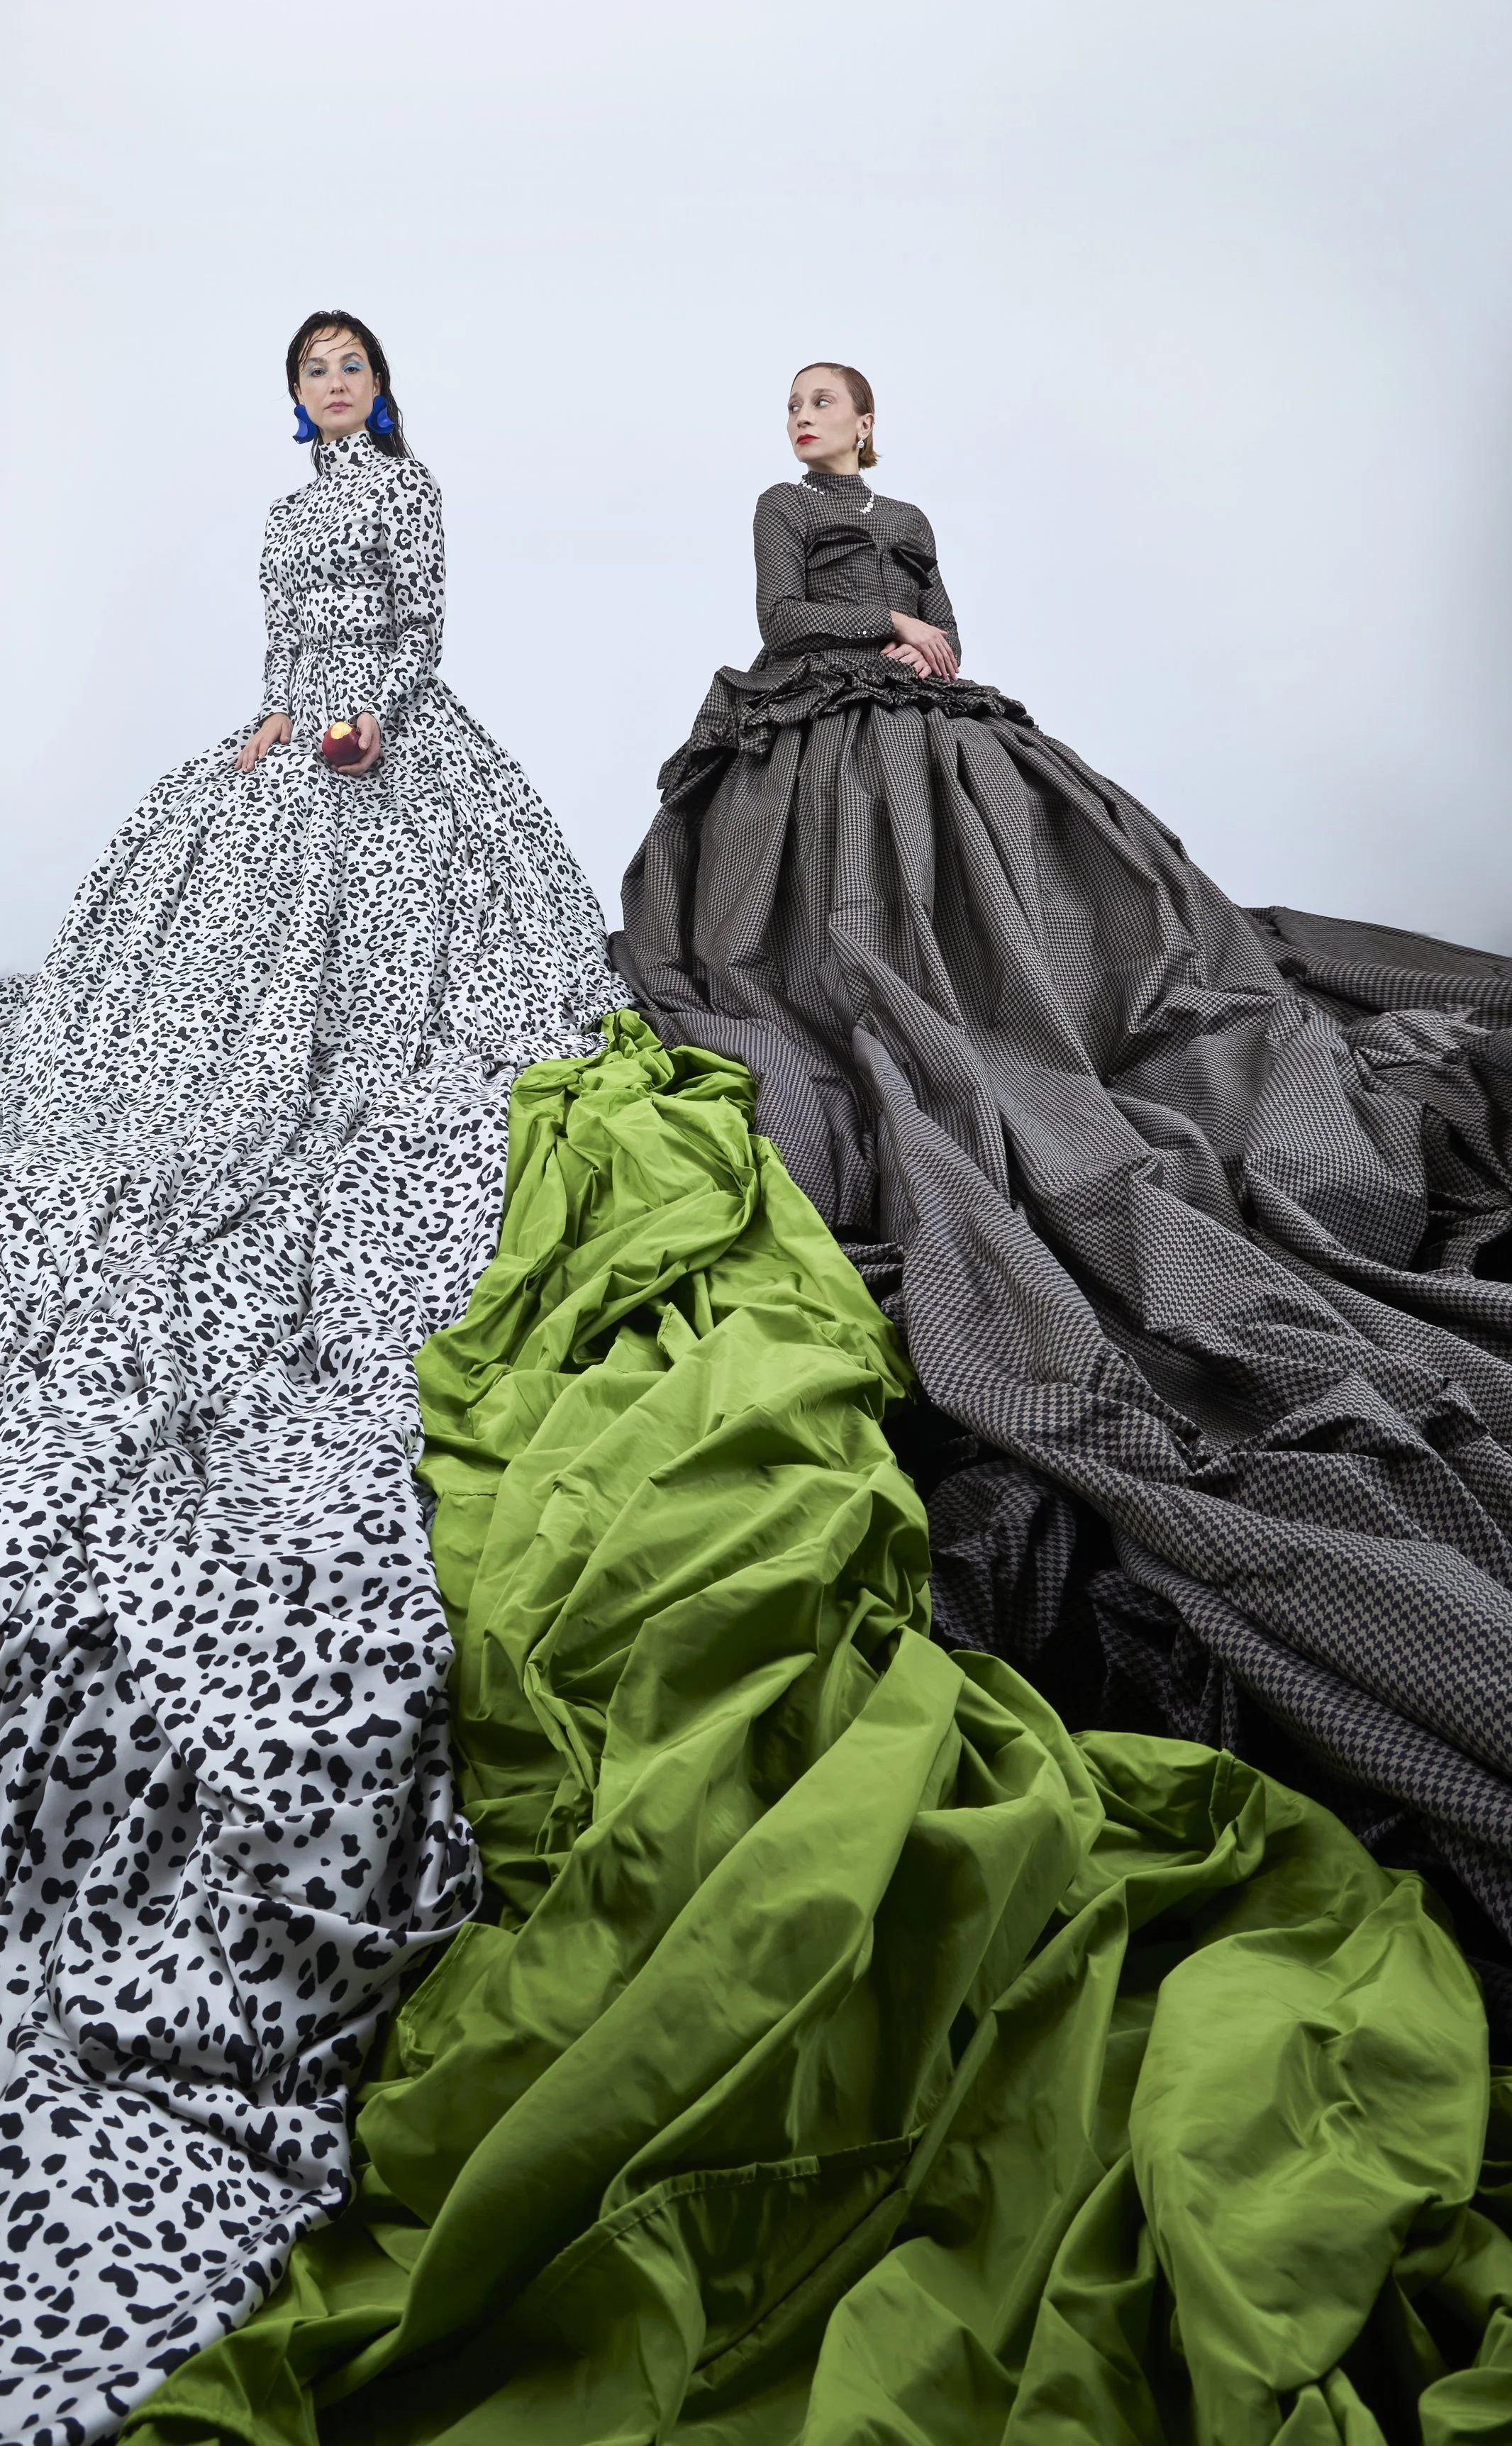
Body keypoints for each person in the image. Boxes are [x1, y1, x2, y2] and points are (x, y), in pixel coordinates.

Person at [0, 310, 619, 2442]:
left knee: (372, 1037)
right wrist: (260, 734)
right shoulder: (282, 501)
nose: (329, 398)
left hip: (391, 777)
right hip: (276, 753)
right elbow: (288, 648)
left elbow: (403, 646)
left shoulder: (401, 500)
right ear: (293, 399)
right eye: (307, 375)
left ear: (382, 392)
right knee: (155, 998)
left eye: (350, 373)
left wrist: (346, 733)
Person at [618, 357, 1512, 2030]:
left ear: (866, 427)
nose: (802, 425)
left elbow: (934, 617)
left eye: (824, 406)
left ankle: (1050, 1022)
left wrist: (932, 648)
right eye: (793, 409)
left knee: (1103, 914)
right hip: (817, 734)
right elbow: (789, 621)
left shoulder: (907, 516)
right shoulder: (783, 518)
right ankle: (896, 995)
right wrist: (875, 647)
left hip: (923, 718)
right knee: (834, 938)